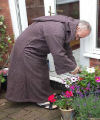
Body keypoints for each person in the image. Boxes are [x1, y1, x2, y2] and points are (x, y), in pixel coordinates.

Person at [6, 15, 91, 109]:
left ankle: (45, 95)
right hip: (27, 49)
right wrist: (72, 67)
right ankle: (41, 100)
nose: (77, 39)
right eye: (78, 36)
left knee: (42, 72)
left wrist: (73, 65)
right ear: (78, 28)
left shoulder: (67, 27)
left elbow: (66, 48)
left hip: (35, 49)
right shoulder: (56, 30)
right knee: (37, 75)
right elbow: (58, 53)